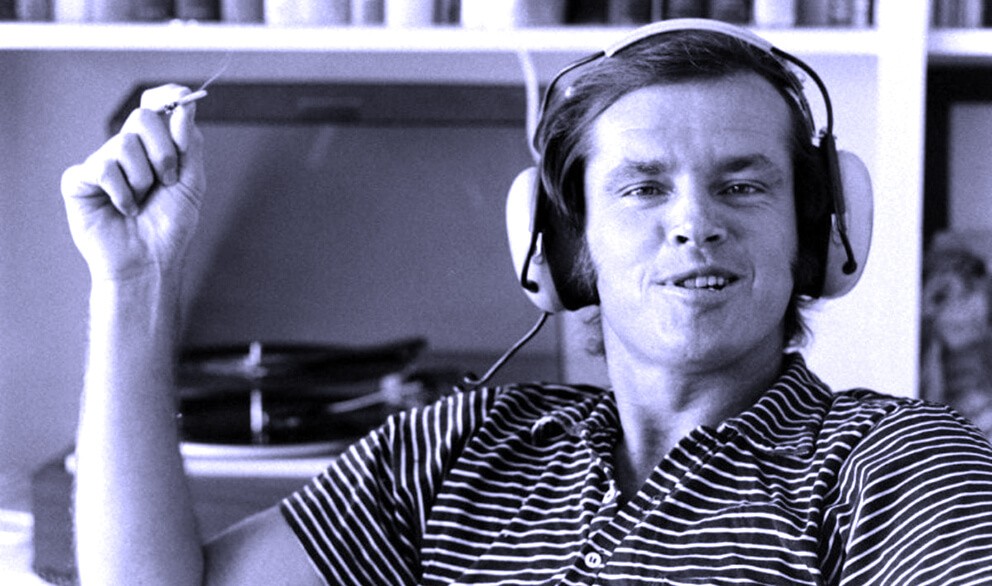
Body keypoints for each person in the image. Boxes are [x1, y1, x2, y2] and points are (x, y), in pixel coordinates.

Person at [61, 19, 992, 586]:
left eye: (743, 186)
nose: (695, 224)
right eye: (642, 188)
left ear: (817, 233)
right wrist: (135, 281)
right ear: (563, 247)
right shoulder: (451, 450)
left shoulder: (899, 464)